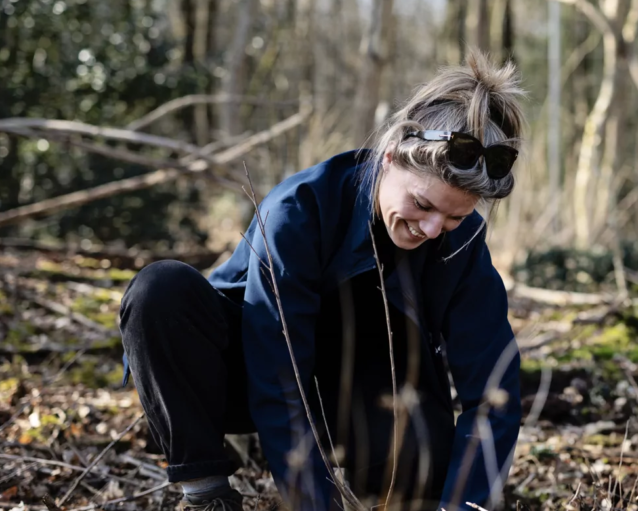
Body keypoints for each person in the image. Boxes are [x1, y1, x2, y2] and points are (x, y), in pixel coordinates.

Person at [118, 52, 526, 511]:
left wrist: (466, 505)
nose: (432, 230)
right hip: (247, 372)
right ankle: (208, 493)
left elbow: (495, 393)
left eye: (455, 215)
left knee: (414, 412)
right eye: (422, 204)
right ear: (389, 157)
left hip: (359, 397)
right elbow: (277, 373)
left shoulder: (463, 243)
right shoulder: (298, 211)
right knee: (159, 290)